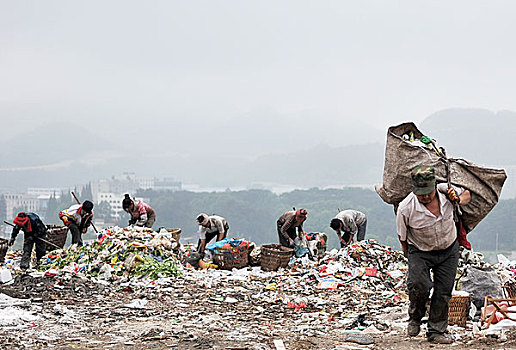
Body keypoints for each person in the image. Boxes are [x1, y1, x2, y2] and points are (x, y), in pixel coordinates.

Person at [396, 165, 471, 344]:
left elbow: (467, 194)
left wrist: (458, 199)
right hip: (420, 251)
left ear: (434, 186)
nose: (425, 197)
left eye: (428, 192)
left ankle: (436, 331)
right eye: (420, 193)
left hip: (448, 248)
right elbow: (402, 238)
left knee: (444, 291)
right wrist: (412, 259)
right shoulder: (406, 208)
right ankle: (415, 317)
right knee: (418, 285)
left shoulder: (447, 193)